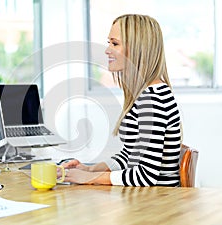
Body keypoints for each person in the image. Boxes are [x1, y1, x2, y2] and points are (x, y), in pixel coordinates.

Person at [62, 14, 181, 187]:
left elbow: (145, 176)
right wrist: (90, 170)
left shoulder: (152, 100)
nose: (107, 50)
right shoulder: (146, 93)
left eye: (115, 43)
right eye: (108, 42)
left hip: (155, 203)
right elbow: (129, 156)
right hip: (146, 199)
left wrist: (90, 179)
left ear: (138, 49)